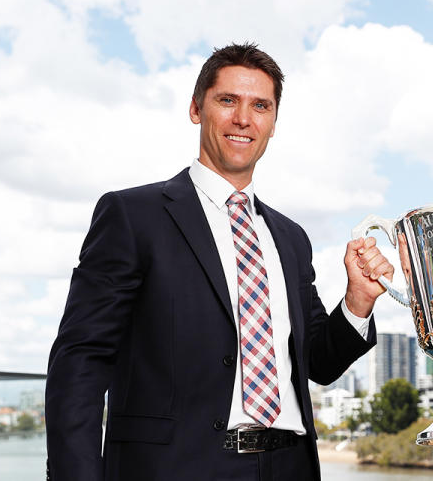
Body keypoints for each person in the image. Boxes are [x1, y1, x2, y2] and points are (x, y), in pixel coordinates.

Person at [45, 43, 393, 481]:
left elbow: (318, 364)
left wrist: (358, 302)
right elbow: (81, 361)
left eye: (260, 106)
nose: (243, 119)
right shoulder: (133, 216)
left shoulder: (290, 238)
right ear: (196, 108)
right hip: (173, 469)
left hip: (289, 468)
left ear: (273, 123)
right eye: (228, 100)